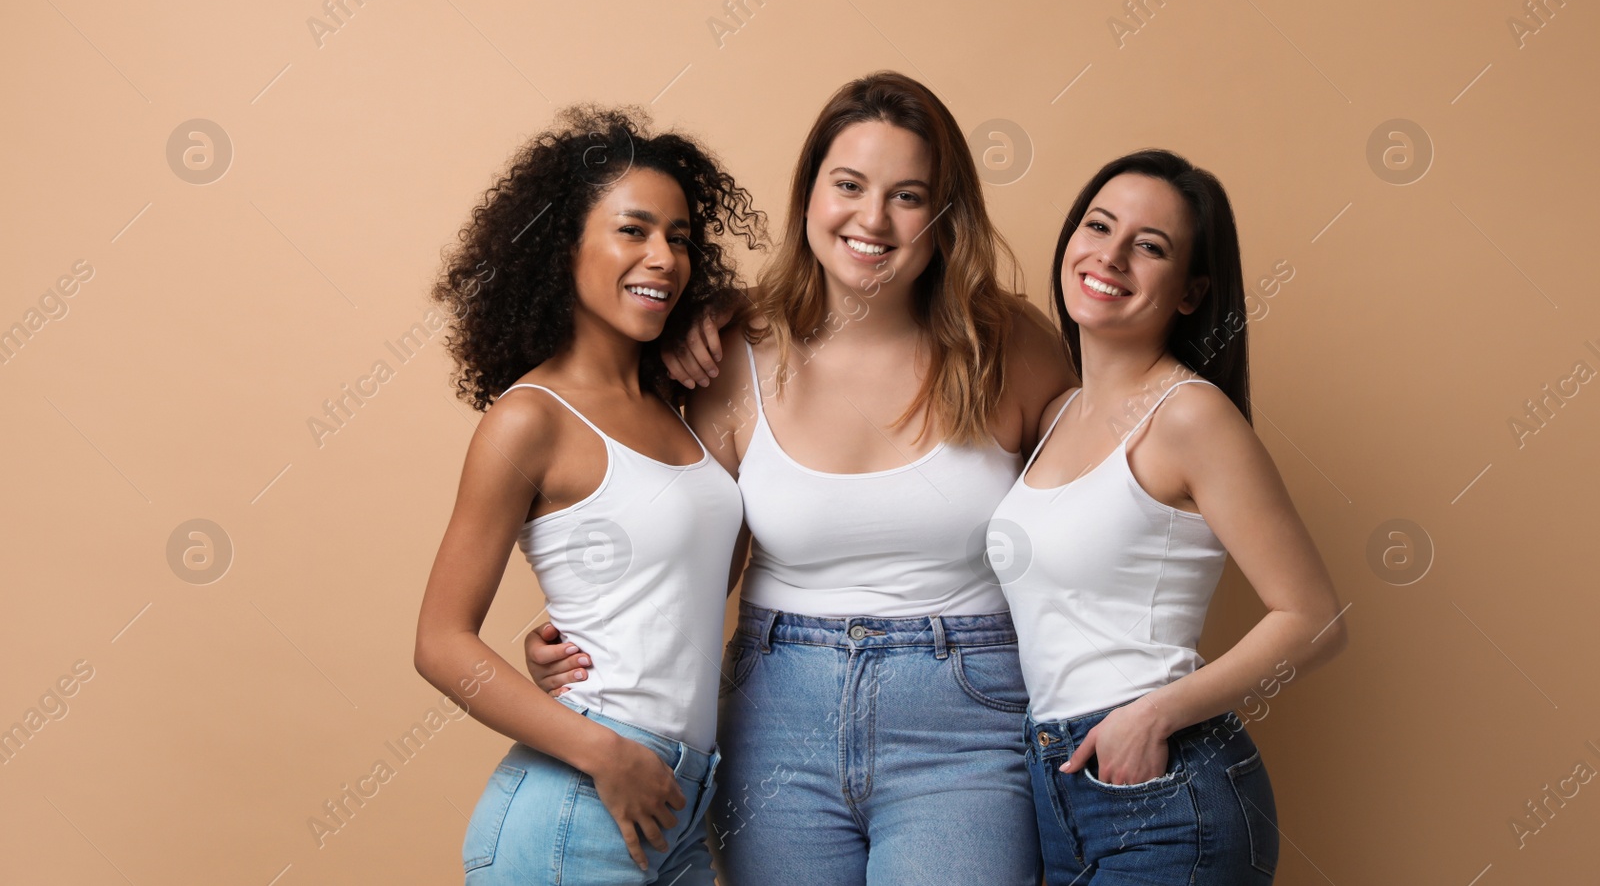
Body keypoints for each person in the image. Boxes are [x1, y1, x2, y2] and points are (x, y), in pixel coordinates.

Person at [525, 72, 1075, 885]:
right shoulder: (731, 347)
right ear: (809, 191)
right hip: (775, 713)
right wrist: (584, 636)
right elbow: (693, 554)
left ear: (944, 215)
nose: (872, 219)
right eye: (848, 185)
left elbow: (1100, 521)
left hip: (965, 718)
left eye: (909, 195)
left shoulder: (1010, 344)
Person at [412, 105, 763, 884]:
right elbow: (440, 642)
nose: (663, 258)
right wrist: (604, 752)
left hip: (678, 803)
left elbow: (702, 579)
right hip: (579, 803)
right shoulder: (530, 419)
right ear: (562, 245)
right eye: (633, 231)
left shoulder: (676, 404)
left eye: (679, 238)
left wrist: (734, 306)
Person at [988, 149, 1348, 884]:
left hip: (1166, 786)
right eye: (1098, 225)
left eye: (1149, 247)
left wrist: (1152, 716)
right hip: (1058, 777)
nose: (1110, 256)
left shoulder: (1189, 415)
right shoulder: (1057, 414)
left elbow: (1314, 616)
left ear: (1191, 293)